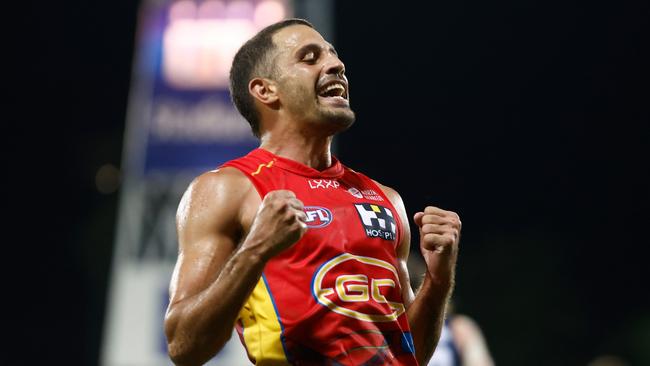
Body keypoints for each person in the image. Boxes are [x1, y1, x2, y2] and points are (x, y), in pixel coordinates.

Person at [163, 18, 462, 366]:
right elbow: (183, 346)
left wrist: (438, 282)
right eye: (309, 58)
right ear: (265, 90)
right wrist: (256, 249)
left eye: (334, 57)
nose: (336, 65)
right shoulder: (227, 189)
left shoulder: (385, 198)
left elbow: (408, 354)